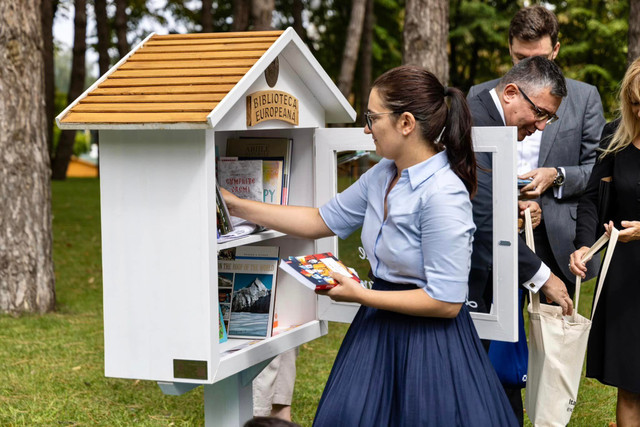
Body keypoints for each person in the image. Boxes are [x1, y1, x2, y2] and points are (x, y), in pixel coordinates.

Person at [223, 65, 518, 426]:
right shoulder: (382, 174)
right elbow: (320, 220)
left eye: (372, 118)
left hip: (430, 344)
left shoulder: (443, 193)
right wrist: (233, 204)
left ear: (406, 123)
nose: (366, 129)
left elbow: (445, 302)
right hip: (378, 327)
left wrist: (361, 295)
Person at [468, 5, 605, 301]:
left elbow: (597, 170)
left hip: (556, 236)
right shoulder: (478, 96)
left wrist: (557, 176)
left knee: (553, 339)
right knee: (497, 332)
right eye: (520, 58)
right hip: (495, 230)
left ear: (555, 50)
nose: (529, 67)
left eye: (539, 59)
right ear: (509, 48)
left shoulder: (585, 97)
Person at [467, 55, 574, 425]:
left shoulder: (492, 119)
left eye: (550, 118)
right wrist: (543, 276)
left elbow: (478, 194)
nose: (542, 126)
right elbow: (482, 218)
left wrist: (508, 201)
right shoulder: (477, 123)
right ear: (511, 92)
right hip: (466, 282)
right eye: (540, 113)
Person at [569, 57, 640, 427]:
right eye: (636, 103)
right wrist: (584, 244)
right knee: (630, 383)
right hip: (626, 276)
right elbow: (590, 199)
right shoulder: (615, 135)